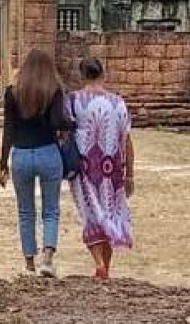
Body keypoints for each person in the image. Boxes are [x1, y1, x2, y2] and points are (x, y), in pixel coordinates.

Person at [0, 49, 73, 278]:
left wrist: (2, 162)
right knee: (50, 210)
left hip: (21, 153)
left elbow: (8, 129)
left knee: (25, 212)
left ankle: (29, 262)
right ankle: (47, 258)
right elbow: (58, 121)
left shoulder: (13, 92)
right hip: (48, 151)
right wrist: (72, 125)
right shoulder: (53, 91)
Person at [66, 57, 135, 281]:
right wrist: (130, 173)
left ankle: (99, 264)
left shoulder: (74, 101)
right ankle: (106, 265)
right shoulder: (117, 102)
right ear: (102, 74)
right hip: (111, 167)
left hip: (85, 167)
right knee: (109, 212)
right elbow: (126, 139)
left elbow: (65, 132)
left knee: (90, 214)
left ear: (82, 75)